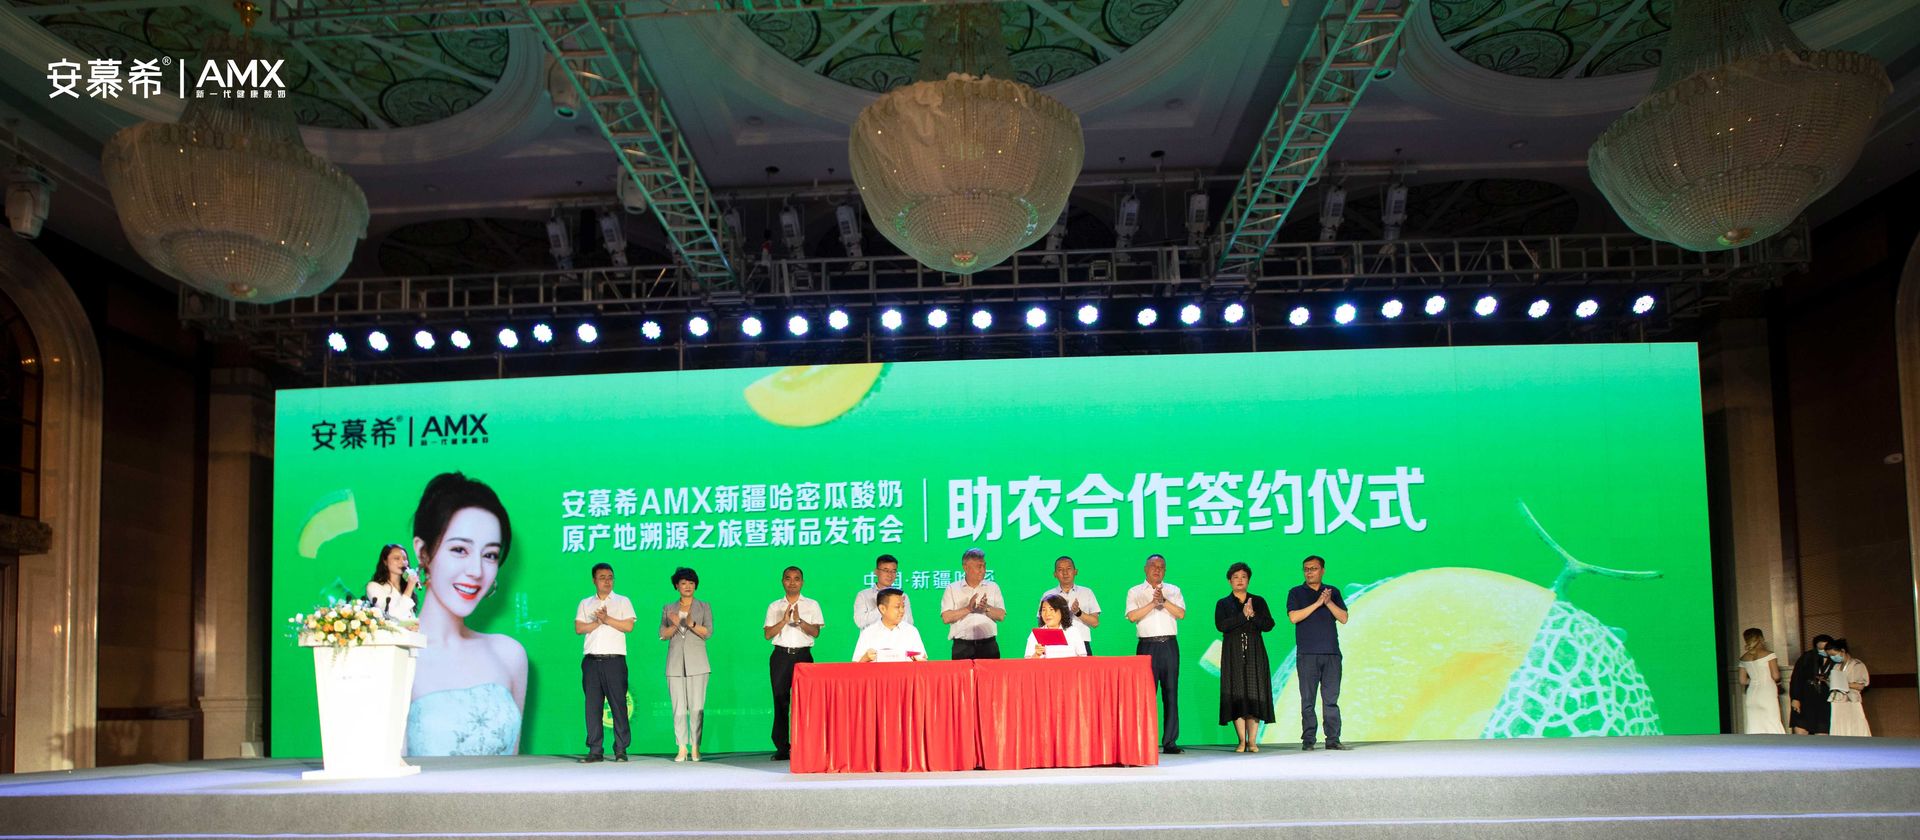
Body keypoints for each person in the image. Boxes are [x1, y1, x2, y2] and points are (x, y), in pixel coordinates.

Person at [405, 472, 527, 756]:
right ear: (422, 552)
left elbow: (513, 769)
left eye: (490, 555)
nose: (476, 571)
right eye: (460, 549)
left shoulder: (509, 655)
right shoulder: (393, 656)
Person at [575, 562, 636, 762]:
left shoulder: (622, 601)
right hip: (591, 662)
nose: (607, 581)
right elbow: (579, 628)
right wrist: (597, 622)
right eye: (602, 578)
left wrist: (607, 619)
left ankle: (621, 749)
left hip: (614, 661)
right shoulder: (585, 603)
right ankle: (595, 750)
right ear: (594, 580)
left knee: (618, 705)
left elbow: (628, 626)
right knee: (592, 707)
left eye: (610, 577)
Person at [1286, 554, 1349, 751]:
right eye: (1306, 569)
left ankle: (1333, 739)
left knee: (1331, 700)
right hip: (1307, 654)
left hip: (1331, 653)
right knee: (1308, 700)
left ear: (1322, 570)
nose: (1309, 572)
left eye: (1313, 568)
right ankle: (1308, 740)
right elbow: (1294, 617)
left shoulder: (1332, 592)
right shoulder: (1296, 592)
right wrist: (1317, 603)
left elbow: (1344, 618)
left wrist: (1328, 602)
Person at [1125, 553, 1186, 754]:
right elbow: (1132, 616)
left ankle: (1170, 742)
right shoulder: (1135, 591)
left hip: (1169, 645)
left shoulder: (1173, 590)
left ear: (1165, 570)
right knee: (1145, 695)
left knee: (1171, 693)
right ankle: (1144, 742)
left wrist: (1163, 601)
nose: (1157, 570)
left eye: (1161, 567)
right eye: (1153, 566)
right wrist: (1153, 603)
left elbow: (1181, 613)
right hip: (1147, 646)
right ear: (1145, 569)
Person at [763, 566, 823, 761]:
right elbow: (767, 634)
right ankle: (782, 747)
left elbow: (816, 632)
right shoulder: (774, 606)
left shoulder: (812, 605)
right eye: (788, 578)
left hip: (803, 656)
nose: (792, 582)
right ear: (782, 581)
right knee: (781, 701)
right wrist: (783, 621)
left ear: (802, 582)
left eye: (796, 579)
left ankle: (805, 745)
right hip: (780, 657)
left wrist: (799, 621)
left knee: (805, 703)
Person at [1215, 562, 1276, 752]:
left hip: (1255, 652)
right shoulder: (1223, 603)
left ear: (1248, 580)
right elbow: (1221, 625)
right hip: (1232, 653)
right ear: (1229, 581)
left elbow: (1269, 625)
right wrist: (1242, 616)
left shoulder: (1258, 601)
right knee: (1236, 693)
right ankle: (1241, 740)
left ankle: (1253, 741)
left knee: (1254, 693)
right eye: (1236, 577)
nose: (1240, 580)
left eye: (1243, 577)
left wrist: (1253, 615)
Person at [660, 566, 712, 762]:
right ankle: (681, 747)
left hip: (698, 663)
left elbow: (708, 632)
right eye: (683, 583)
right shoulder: (668, 608)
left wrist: (690, 623)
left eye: (691, 583)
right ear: (676, 586)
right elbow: (663, 634)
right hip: (675, 664)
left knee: (697, 706)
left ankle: (696, 746)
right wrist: (676, 623)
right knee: (678, 707)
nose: (688, 586)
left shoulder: (704, 606)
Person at [940, 548, 1006, 660]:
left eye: (984, 566)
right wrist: (968, 609)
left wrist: (986, 608)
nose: (983, 570)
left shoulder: (993, 587)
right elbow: (946, 618)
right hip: (962, 647)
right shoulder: (952, 588)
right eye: (979, 566)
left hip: (988, 646)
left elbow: (1001, 615)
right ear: (965, 567)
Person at [1037, 555, 1100, 654]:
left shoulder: (1086, 592)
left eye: (1069, 569)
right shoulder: (1048, 595)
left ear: (1075, 571)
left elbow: (1095, 623)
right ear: (1055, 574)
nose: (1065, 573)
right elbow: (1041, 622)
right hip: (1055, 644)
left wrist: (1078, 612)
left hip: (1082, 642)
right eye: (1060, 570)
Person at [854, 588, 928, 662]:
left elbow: (923, 662)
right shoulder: (868, 633)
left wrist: (919, 660)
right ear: (882, 609)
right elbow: (855, 666)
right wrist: (865, 658)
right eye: (897, 607)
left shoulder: (911, 631)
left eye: (903, 606)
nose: (902, 611)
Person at [1736, 627, 1785, 734]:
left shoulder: (1743, 658)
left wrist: (1754, 681)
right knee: (1772, 723)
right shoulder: (1769, 655)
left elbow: (1742, 681)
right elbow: (1776, 676)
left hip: (1752, 694)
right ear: (1761, 638)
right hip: (1767, 691)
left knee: (1754, 725)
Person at [1789, 634, 1834, 734]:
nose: (1823, 651)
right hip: (1807, 696)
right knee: (1801, 727)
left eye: (1825, 648)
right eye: (1820, 649)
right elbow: (1797, 678)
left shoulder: (1834, 659)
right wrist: (1795, 698)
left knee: (1822, 729)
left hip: (1825, 698)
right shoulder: (1807, 657)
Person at [853, 554, 914, 629]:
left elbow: (909, 623)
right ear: (876, 572)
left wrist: (899, 607)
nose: (890, 575)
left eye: (893, 571)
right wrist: (885, 607)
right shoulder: (863, 595)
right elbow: (860, 622)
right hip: (872, 636)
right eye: (886, 570)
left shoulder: (902, 596)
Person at [1826, 639, 1871, 737]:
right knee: (1838, 725)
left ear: (1842, 651)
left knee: (1855, 724)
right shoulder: (1836, 667)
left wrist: (1842, 684)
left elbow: (1861, 685)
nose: (1832, 657)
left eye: (1834, 654)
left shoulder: (1857, 665)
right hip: (1837, 700)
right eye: (1830, 656)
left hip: (1851, 700)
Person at [1023, 594, 1090, 659]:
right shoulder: (1035, 634)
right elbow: (1027, 663)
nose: (1047, 614)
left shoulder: (1072, 632)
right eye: (1044, 610)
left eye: (1051, 609)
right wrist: (1037, 655)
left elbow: (1083, 659)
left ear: (1062, 612)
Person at [365, 543, 418, 619]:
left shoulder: (404, 587)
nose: (402, 562)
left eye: (404, 558)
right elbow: (391, 616)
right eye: (397, 558)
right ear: (385, 561)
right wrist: (409, 587)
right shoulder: (374, 586)